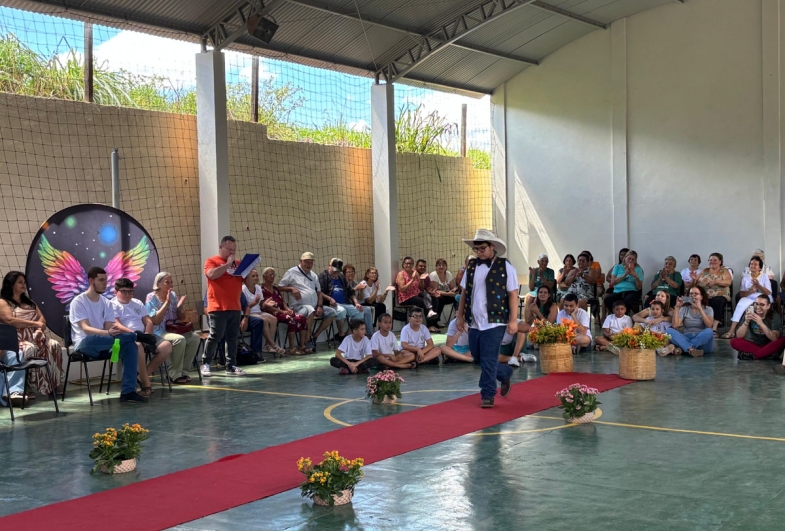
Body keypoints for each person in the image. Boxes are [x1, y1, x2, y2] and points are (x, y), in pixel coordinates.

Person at [456, 229, 518, 408]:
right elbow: (464, 292)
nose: (479, 252)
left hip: (495, 321)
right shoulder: (471, 267)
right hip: (475, 321)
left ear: (493, 247)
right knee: (478, 357)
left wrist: (513, 320)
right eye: (476, 249)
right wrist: (460, 316)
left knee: (489, 359)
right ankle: (504, 373)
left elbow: (513, 294)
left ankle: (488, 394)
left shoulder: (506, 267)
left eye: (482, 248)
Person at [69, 267, 146, 402]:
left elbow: (109, 328)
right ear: (91, 281)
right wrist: (108, 333)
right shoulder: (78, 301)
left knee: (131, 346)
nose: (105, 283)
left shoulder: (106, 302)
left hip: (105, 343)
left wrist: (110, 333)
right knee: (91, 339)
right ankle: (136, 336)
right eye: (101, 280)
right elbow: (86, 329)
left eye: (106, 280)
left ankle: (128, 392)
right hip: (85, 344)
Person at [0, 271, 65, 402]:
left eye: (24, 282)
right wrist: (34, 324)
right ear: (11, 284)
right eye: (20, 282)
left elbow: (42, 320)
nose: (23, 285)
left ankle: (54, 383)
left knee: (54, 345)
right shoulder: (3, 302)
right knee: (28, 348)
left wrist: (39, 329)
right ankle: (26, 386)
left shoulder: (30, 302)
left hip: (35, 337)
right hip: (16, 340)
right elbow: (9, 320)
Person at [111, 278, 172, 397]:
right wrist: (136, 335)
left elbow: (148, 321)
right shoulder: (112, 305)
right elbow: (117, 325)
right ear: (115, 292)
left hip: (144, 335)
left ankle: (140, 377)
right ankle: (146, 384)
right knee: (138, 346)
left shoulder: (137, 302)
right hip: (127, 337)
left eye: (130, 292)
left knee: (166, 346)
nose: (127, 294)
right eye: (124, 292)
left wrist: (147, 334)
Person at [201, 235, 246, 377]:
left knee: (232, 337)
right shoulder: (211, 261)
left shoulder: (238, 263)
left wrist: (248, 270)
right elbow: (212, 275)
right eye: (229, 249)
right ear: (221, 247)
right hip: (218, 306)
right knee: (215, 335)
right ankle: (206, 363)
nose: (232, 252)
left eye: (234, 250)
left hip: (235, 306)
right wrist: (227, 264)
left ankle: (231, 365)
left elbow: (245, 281)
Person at [145, 271, 200, 384]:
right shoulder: (151, 297)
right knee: (179, 339)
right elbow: (155, 321)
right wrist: (166, 303)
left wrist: (180, 307)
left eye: (171, 282)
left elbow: (181, 317)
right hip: (159, 331)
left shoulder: (173, 295)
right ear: (158, 284)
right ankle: (174, 374)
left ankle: (184, 371)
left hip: (174, 329)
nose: (171, 285)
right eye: (167, 282)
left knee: (195, 338)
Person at [278, 252, 337, 352]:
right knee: (310, 310)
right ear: (300, 261)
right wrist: (291, 288)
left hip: (314, 306)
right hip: (298, 307)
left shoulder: (313, 275)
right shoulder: (292, 272)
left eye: (311, 262)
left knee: (332, 312)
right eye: (306, 262)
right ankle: (307, 339)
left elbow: (319, 293)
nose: (309, 264)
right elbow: (279, 287)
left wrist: (320, 306)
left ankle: (314, 336)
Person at [319, 258, 372, 339]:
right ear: (329, 266)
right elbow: (320, 292)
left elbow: (350, 292)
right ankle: (341, 334)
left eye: (338, 270)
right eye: (334, 270)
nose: (336, 272)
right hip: (331, 304)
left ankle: (348, 335)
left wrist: (356, 303)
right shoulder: (323, 276)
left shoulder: (341, 276)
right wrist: (329, 299)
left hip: (345, 303)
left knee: (359, 311)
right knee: (342, 311)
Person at [721, 256, 772, 340]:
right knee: (740, 304)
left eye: (755, 264)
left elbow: (768, 292)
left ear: (760, 267)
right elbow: (741, 294)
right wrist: (751, 291)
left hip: (763, 297)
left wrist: (758, 285)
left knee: (754, 305)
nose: (753, 266)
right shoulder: (745, 277)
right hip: (749, 297)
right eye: (751, 264)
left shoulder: (764, 276)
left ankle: (754, 331)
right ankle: (731, 331)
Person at [259, 267, 308, 355]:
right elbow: (267, 307)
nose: (272, 276)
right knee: (291, 319)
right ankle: (292, 348)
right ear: (264, 276)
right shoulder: (261, 289)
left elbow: (283, 302)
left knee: (301, 317)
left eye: (273, 274)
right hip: (272, 312)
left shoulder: (275, 289)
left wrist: (288, 309)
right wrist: (282, 312)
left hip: (282, 311)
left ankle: (302, 346)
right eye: (270, 274)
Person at [242, 269, 284, 357]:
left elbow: (261, 304)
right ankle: (273, 345)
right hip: (248, 313)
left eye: (257, 276)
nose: (256, 278)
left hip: (258, 311)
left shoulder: (258, 288)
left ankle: (267, 345)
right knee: (263, 320)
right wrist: (254, 302)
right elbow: (244, 307)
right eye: (253, 276)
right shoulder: (243, 289)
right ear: (247, 278)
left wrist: (265, 304)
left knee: (273, 319)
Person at [730, 295, 784, 361]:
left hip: (768, 344)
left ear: (768, 306)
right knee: (734, 341)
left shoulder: (774, 316)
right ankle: (767, 354)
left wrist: (761, 324)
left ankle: (754, 355)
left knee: (782, 340)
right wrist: (746, 321)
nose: (758, 307)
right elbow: (739, 336)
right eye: (756, 304)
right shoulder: (750, 313)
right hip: (752, 343)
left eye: (762, 305)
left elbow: (774, 338)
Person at [666, 286, 715, 357]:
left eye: (696, 294)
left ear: (701, 297)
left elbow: (709, 325)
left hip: (702, 341)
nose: (693, 296)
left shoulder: (708, 309)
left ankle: (685, 348)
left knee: (709, 331)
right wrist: (677, 307)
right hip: (687, 337)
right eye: (691, 294)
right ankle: (691, 350)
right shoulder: (684, 309)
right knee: (669, 331)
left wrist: (700, 309)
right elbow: (675, 325)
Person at [696, 252, 732, 336]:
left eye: (715, 260)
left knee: (717, 301)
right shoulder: (705, 270)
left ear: (720, 261)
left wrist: (716, 282)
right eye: (710, 260)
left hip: (720, 294)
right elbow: (696, 282)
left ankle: (714, 328)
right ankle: (700, 327)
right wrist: (694, 279)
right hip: (705, 294)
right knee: (698, 300)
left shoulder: (724, 271)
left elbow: (728, 282)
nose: (712, 262)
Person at [429, 258, 458, 324]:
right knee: (440, 299)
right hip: (436, 295)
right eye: (439, 265)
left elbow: (452, 287)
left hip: (447, 294)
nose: (441, 267)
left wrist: (454, 290)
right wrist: (448, 294)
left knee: (458, 297)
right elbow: (435, 291)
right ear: (436, 267)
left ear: (446, 267)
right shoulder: (433, 275)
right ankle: (436, 320)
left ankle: (457, 316)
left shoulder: (448, 274)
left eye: (443, 265)